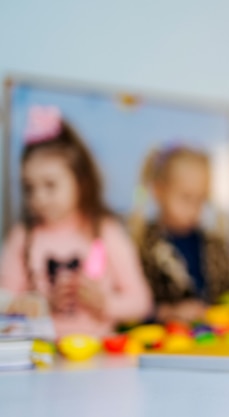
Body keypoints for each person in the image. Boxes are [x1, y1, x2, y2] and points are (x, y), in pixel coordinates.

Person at [0, 105, 152, 337]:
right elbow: (5, 300)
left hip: (101, 357)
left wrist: (105, 303)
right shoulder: (22, 235)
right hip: (42, 355)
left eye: (50, 185)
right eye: (29, 187)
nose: (38, 198)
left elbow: (141, 302)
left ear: (80, 181)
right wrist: (40, 304)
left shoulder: (105, 230)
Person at [130, 145, 229, 323]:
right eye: (186, 197)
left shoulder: (215, 247)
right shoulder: (141, 246)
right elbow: (129, 307)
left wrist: (226, 310)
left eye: (201, 200)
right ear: (159, 191)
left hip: (212, 342)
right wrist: (165, 313)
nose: (194, 209)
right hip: (162, 344)